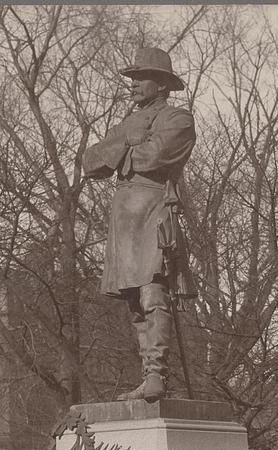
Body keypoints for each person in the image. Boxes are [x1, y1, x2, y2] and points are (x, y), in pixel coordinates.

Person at [83, 47, 196, 401]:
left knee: (152, 290)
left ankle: (157, 374)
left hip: (153, 207)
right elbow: (90, 163)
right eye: (131, 78)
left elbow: (154, 156)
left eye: (139, 78)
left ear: (161, 85)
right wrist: (125, 142)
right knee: (133, 299)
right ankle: (148, 374)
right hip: (123, 215)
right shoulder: (128, 123)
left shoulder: (178, 118)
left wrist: (119, 148)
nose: (132, 85)